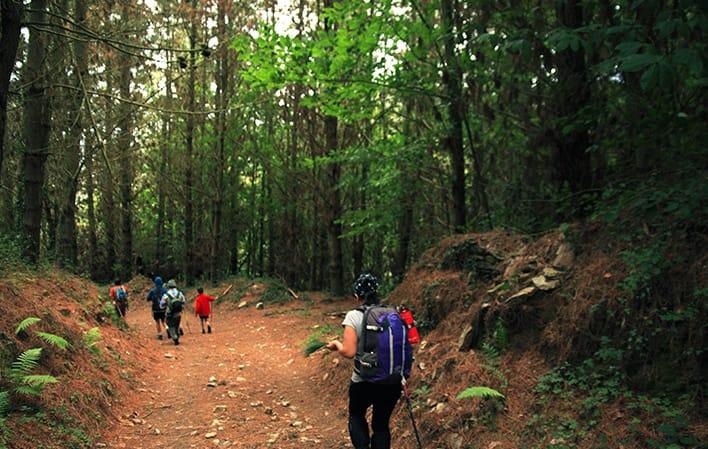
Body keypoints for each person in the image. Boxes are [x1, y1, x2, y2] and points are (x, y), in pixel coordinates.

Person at [326, 273, 409, 449]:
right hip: (391, 380)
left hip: (363, 380)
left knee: (356, 415)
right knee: (380, 426)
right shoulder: (393, 313)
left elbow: (349, 352)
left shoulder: (354, 316)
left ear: (358, 296)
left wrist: (336, 345)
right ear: (377, 292)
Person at [161, 279, 186, 345]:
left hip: (169, 313)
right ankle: (177, 335)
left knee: (170, 325)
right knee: (177, 325)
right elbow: (184, 301)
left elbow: (161, 304)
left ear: (168, 286)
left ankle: (175, 337)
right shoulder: (179, 293)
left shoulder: (166, 295)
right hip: (178, 313)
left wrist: (165, 306)